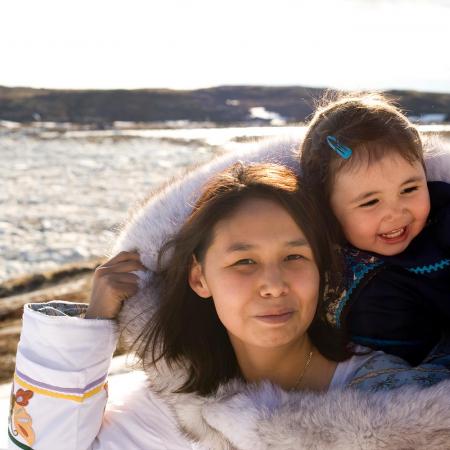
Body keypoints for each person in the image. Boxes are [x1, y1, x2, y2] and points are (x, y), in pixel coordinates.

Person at [9, 162, 450, 450]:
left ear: (325, 270)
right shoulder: (173, 405)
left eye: (295, 257)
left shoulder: (392, 397)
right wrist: (92, 326)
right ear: (200, 277)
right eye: (244, 261)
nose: (273, 285)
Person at [299, 92, 450, 366]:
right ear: (326, 209)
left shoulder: (442, 215)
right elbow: (411, 373)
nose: (396, 212)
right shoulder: (367, 293)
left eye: (410, 188)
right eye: (370, 202)